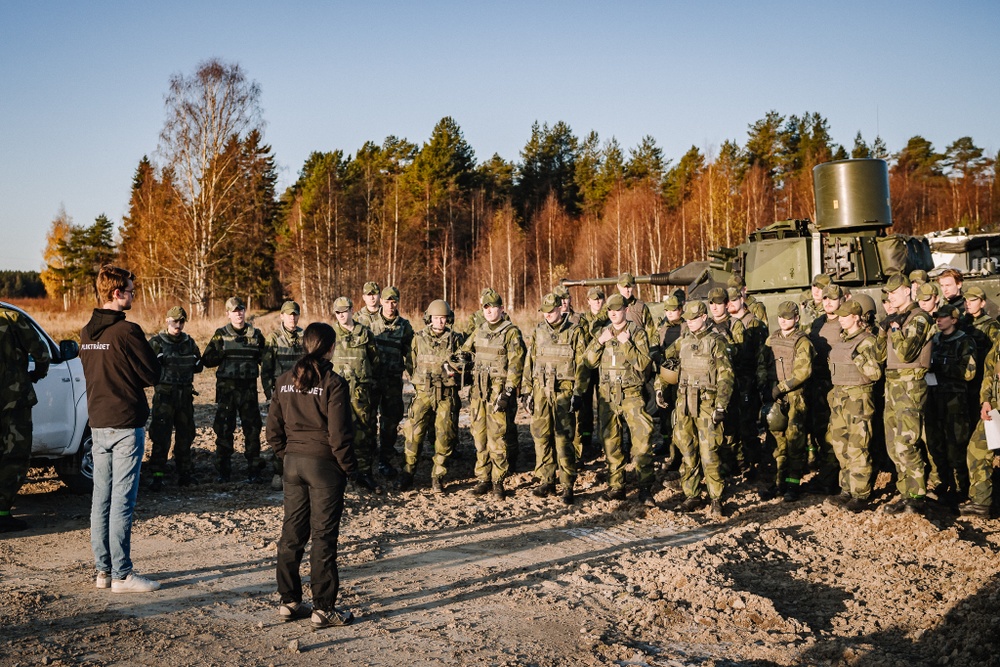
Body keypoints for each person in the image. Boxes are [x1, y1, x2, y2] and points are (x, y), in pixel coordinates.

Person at [267, 322, 357, 629]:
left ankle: (289, 601)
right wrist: (350, 469)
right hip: (324, 468)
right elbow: (339, 436)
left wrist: (287, 455)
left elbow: (273, 431)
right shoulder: (333, 383)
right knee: (323, 538)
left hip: (293, 465)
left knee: (292, 534)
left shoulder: (283, 381)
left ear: (307, 345)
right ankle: (323, 608)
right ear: (330, 347)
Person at [80, 265, 161, 592]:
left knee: (101, 498)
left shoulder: (86, 332)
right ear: (116, 293)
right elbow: (152, 374)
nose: (132, 295)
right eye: (129, 289)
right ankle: (122, 575)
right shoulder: (127, 332)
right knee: (122, 501)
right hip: (126, 424)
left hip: (98, 422)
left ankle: (103, 571)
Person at [661, 300, 733, 516]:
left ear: (704, 317)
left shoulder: (717, 342)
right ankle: (691, 494)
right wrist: (659, 387)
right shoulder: (682, 342)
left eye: (694, 319)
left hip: (707, 405)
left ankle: (716, 498)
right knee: (687, 451)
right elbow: (668, 363)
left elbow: (726, 376)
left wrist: (721, 405)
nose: (690, 323)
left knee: (709, 453)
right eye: (687, 319)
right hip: (684, 405)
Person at [586, 293, 656, 505]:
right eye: (610, 310)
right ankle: (616, 486)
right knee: (611, 443)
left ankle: (645, 489)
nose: (614, 313)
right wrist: (600, 341)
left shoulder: (637, 333)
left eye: (617, 309)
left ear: (626, 310)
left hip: (631, 394)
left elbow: (644, 364)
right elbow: (588, 361)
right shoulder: (602, 333)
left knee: (642, 443)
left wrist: (627, 344)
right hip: (608, 395)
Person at [523, 293, 589, 504]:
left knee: (563, 439)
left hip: (564, 392)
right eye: (545, 311)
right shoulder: (538, 332)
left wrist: (579, 392)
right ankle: (547, 480)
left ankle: (568, 484)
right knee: (541, 437)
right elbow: (530, 361)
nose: (548, 315)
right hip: (541, 391)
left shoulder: (575, 332)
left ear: (561, 309)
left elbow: (582, 365)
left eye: (551, 311)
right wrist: (527, 390)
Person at [462, 288, 525, 499]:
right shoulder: (479, 330)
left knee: (497, 439)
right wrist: (460, 361)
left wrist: (508, 392)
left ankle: (498, 481)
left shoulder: (511, 332)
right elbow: (465, 351)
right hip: (478, 393)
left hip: (498, 393)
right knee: (479, 438)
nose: (489, 311)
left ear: (501, 309)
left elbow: (517, 363)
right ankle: (483, 478)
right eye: (486, 307)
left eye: (493, 307)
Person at [882, 272, 934, 514]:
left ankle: (917, 495)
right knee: (893, 445)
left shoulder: (919, 318)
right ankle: (906, 494)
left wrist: (894, 327)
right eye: (888, 293)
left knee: (906, 444)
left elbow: (906, 354)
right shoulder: (899, 318)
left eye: (894, 292)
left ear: (907, 290)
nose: (890, 296)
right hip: (893, 386)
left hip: (910, 387)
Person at [399, 300, 465, 493]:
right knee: (413, 434)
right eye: (436, 318)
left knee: (444, 435)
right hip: (424, 394)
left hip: (446, 394)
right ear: (429, 319)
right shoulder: (418, 338)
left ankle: (438, 476)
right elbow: (411, 364)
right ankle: (408, 472)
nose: (440, 322)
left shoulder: (456, 339)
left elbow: (463, 365)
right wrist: (421, 383)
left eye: (443, 319)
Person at [202, 297, 266, 483]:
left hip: (248, 391)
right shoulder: (220, 334)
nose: (238, 313)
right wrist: (223, 352)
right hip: (227, 392)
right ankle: (223, 470)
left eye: (241, 310)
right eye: (234, 311)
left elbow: (267, 361)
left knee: (252, 430)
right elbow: (207, 360)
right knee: (224, 430)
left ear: (245, 312)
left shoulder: (256, 335)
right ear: (228, 314)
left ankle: (254, 469)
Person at [826, 300, 882, 512]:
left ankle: (861, 494)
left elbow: (875, 373)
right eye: (839, 315)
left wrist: (857, 357)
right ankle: (847, 489)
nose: (840, 318)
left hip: (858, 398)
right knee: (840, 445)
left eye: (845, 315)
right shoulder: (842, 340)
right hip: (840, 396)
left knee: (858, 446)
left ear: (856, 317)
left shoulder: (867, 341)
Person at [757, 300, 814, 502]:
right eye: (781, 317)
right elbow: (763, 362)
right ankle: (778, 483)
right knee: (775, 440)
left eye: (788, 317)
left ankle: (792, 485)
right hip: (774, 396)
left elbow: (803, 372)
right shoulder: (772, 339)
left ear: (796, 318)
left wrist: (780, 389)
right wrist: (764, 385)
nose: (783, 320)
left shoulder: (802, 342)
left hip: (794, 397)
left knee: (795, 441)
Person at [0, 307, 50, 532]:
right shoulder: (12, 317)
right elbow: (41, 352)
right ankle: (2, 513)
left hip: (13, 397)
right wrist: (38, 374)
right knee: (14, 456)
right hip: (13, 399)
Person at [147, 306, 203, 490]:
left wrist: (195, 363)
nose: (177, 325)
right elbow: (144, 367)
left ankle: (184, 473)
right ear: (167, 321)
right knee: (161, 436)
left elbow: (198, 364)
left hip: (185, 396)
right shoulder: (156, 342)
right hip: (164, 397)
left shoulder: (189, 342)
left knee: (185, 435)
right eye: (174, 321)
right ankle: (157, 475)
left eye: (181, 321)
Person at [926, 304, 976, 504]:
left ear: (954, 320)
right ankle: (943, 484)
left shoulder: (964, 341)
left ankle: (961, 490)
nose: (939, 320)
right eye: (937, 317)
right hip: (935, 396)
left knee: (956, 445)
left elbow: (969, 372)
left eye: (944, 317)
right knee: (937, 444)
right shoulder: (935, 340)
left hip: (954, 400)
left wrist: (943, 366)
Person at [330, 296, 380, 492]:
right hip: (336, 393)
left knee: (364, 432)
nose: (342, 315)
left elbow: (374, 360)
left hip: (360, 392)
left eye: (345, 311)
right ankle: (338, 472)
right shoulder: (331, 334)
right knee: (336, 432)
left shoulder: (365, 333)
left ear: (352, 310)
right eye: (338, 312)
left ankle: (364, 472)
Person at [366, 286, 414, 479]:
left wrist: (415, 377)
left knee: (391, 420)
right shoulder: (369, 323)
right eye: (387, 301)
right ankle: (368, 455)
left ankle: (386, 456)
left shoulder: (404, 326)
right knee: (368, 419)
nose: (390, 305)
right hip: (372, 381)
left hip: (393, 381)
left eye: (394, 301)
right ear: (381, 302)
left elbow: (411, 354)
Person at [805, 283, 846, 494]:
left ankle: (831, 480)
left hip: (837, 384)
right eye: (825, 298)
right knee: (820, 430)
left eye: (833, 298)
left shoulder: (845, 323)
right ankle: (826, 474)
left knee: (835, 433)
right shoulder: (817, 323)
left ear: (841, 300)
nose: (828, 302)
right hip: (818, 383)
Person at [261, 300, 305, 488]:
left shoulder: (305, 336)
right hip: (281, 394)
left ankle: (300, 472)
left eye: (295, 314)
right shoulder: (273, 338)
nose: (292, 318)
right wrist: (269, 392)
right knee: (280, 432)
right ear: (282, 316)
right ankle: (279, 472)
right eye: (288, 314)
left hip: (302, 394)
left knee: (302, 433)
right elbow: (266, 368)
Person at [963, 340, 1000, 517]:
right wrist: (986, 399)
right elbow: (990, 370)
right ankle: (981, 502)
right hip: (995, 409)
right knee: (977, 451)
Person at [575, 286, 608, 460]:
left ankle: (606, 442)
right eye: (594, 299)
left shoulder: (609, 318)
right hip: (587, 368)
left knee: (605, 406)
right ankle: (586, 442)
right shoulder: (582, 320)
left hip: (604, 368)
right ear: (588, 301)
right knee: (585, 407)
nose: (597, 301)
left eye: (600, 298)